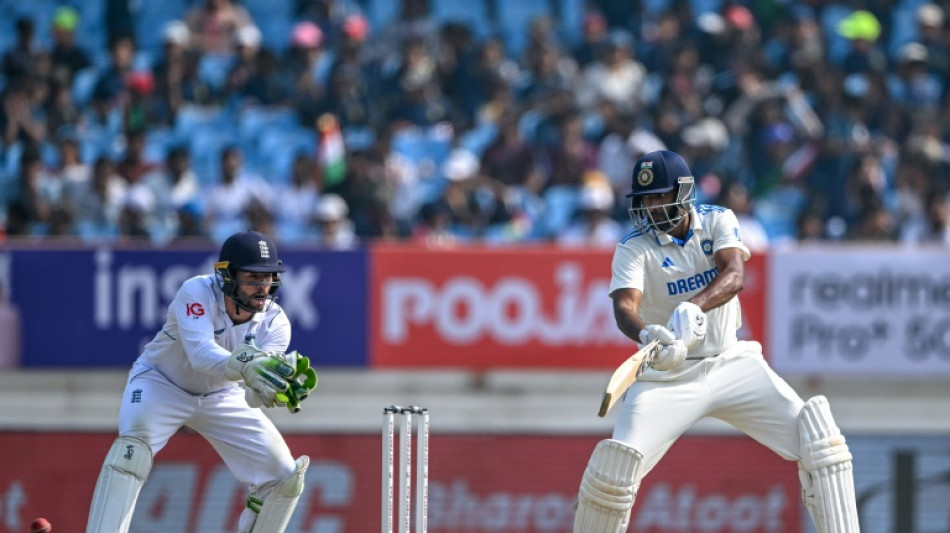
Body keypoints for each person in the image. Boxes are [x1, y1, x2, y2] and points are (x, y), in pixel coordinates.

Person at [572, 151, 859, 533]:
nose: (654, 207)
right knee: (613, 470)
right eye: (647, 199)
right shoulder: (633, 247)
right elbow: (625, 306)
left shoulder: (717, 220)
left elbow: (734, 274)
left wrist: (691, 308)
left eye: (661, 196)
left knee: (820, 442)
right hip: (666, 374)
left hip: (731, 363)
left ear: (683, 191)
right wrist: (646, 333)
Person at [85, 230, 317, 533]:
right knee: (131, 453)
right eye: (253, 277)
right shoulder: (196, 292)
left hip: (222, 395)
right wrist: (250, 366)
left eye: (268, 277)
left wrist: (268, 390)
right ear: (228, 276)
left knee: (284, 478)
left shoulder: (276, 323)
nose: (263, 287)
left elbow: (250, 395)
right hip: (160, 385)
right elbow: (201, 354)